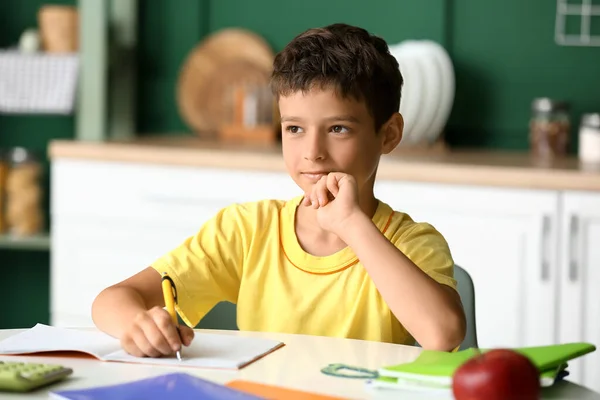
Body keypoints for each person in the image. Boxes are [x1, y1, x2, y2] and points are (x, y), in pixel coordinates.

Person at [91, 23, 466, 358]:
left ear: (388, 134)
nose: (312, 152)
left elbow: (443, 334)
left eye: (338, 129)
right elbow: (112, 300)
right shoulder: (246, 229)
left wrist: (351, 223)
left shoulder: (413, 242)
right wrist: (136, 325)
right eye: (294, 129)